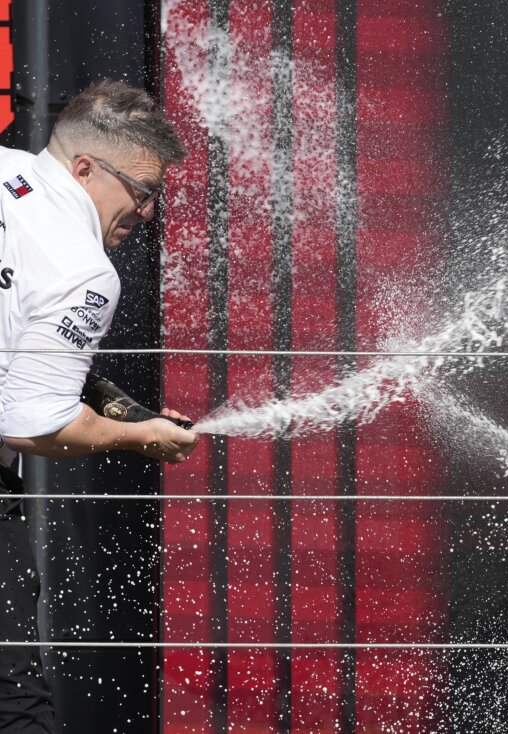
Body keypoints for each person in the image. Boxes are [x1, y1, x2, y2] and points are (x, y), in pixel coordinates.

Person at [0, 79, 198, 732]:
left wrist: (123, 411)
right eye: (140, 193)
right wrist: (137, 440)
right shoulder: (85, 269)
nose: (145, 214)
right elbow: (33, 424)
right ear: (83, 167)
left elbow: (27, 353)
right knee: (14, 697)